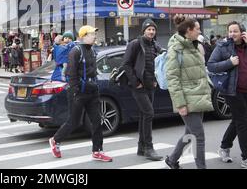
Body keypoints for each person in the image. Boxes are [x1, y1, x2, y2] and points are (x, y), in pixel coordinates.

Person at [49, 26, 112, 162]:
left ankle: (97, 151)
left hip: (92, 91)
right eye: (91, 34)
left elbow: (92, 71)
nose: (94, 36)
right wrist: (76, 91)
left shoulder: (92, 51)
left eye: (94, 34)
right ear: (83, 36)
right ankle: (55, 140)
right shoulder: (76, 51)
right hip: (78, 92)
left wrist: (95, 86)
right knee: (74, 122)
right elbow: (70, 73)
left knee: (96, 121)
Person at [207, 21, 247, 169]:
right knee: (243, 123)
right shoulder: (223, 46)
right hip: (231, 91)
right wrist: (229, 62)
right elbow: (211, 65)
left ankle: (224, 147)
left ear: (242, 33)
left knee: (237, 121)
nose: (232, 34)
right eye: (230, 31)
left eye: (235, 31)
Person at [164, 16, 213, 169]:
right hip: (187, 99)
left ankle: (172, 160)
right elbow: (172, 78)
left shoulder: (194, 45)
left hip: (198, 96)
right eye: (197, 28)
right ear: (189, 30)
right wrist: (180, 104)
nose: (200, 31)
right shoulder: (176, 49)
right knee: (199, 136)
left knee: (189, 134)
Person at [121, 19, 163, 161]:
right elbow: (126, 64)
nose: (151, 31)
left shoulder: (155, 45)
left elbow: (157, 66)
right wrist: (135, 82)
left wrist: (156, 81)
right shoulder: (135, 44)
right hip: (139, 86)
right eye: (149, 29)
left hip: (151, 85)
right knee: (149, 113)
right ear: (143, 30)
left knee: (145, 115)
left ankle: (141, 147)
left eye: (153, 29)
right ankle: (149, 148)